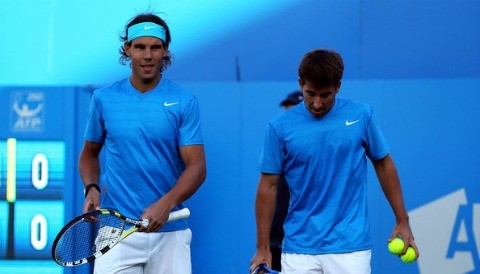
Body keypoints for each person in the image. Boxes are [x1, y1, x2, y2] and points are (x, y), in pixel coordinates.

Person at [250, 49, 419, 273]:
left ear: (338, 86)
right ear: (301, 83)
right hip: (299, 250)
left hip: (351, 249)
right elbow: (268, 186)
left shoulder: (361, 115)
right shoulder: (278, 127)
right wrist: (263, 247)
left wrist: (402, 220)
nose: (317, 104)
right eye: (310, 94)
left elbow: (384, 164)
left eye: (325, 95)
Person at [78, 12, 206, 274]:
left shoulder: (183, 101)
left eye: (155, 47)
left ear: (165, 50)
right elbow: (89, 154)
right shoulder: (103, 99)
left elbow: (197, 167)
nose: (147, 55)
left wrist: (165, 204)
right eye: (140, 47)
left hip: (170, 230)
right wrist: (91, 189)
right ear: (128, 49)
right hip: (116, 231)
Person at [269, 91, 304, 271]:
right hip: (275, 244)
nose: (286, 117)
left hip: (303, 247)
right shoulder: (278, 150)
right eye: (286, 111)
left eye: (292, 112)